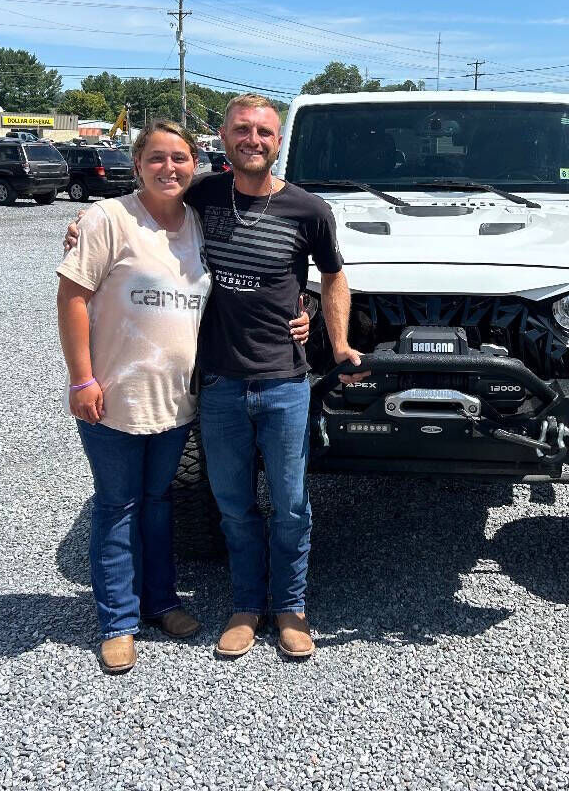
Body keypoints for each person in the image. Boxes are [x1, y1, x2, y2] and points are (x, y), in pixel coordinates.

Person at [66, 94, 361, 661]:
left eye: (265, 133)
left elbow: (334, 277)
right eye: (243, 131)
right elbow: (143, 208)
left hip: (284, 383)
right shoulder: (199, 197)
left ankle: (291, 609)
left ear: (280, 143)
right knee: (232, 505)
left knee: (293, 504)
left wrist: (337, 340)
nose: (254, 140)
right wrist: (82, 222)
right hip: (219, 385)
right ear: (223, 140)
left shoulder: (309, 210)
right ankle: (246, 606)